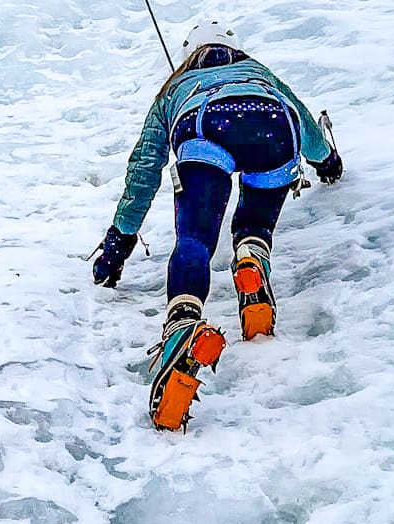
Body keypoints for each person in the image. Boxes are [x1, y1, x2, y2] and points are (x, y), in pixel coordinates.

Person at [92, 23, 343, 429]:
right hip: (274, 123)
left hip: (203, 123)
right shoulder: (259, 72)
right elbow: (305, 124)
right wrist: (327, 162)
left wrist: (118, 243)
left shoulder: (176, 87)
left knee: (194, 239)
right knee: (255, 223)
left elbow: (143, 172)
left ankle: (183, 326)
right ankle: (251, 259)